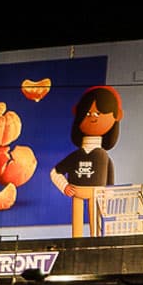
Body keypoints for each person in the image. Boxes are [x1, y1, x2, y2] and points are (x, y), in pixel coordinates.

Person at [51, 86, 123, 237]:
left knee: (95, 226)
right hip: (77, 192)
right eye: (88, 113)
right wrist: (64, 186)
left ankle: (94, 242)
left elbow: (109, 176)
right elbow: (55, 172)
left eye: (98, 113)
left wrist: (108, 194)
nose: (93, 117)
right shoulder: (76, 155)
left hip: (97, 194)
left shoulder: (103, 156)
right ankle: (76, 243)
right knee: (76, 228)